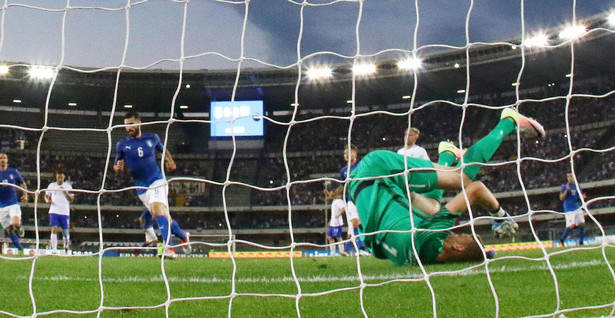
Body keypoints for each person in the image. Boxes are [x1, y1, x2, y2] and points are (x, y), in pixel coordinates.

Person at [348, 108, 544, 265]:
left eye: (463, 235)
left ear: (458, 247)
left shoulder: (432, 238)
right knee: (434, 206)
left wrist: (500, 216)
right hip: (369, 187)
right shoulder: (411, 256)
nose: (456, 231)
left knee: (462, 179)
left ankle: (508, 120)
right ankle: (448, 155)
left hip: (378, 172)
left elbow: (476, 189)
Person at [113, 111, 190, 254]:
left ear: (139, 123)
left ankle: (169, 249)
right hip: (141, 187)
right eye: (126, 125)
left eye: (131, 124)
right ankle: (184, 236)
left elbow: (163, 150)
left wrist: (170, 161)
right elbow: (116, 164)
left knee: (156, 209)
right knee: (164, 216)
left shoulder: (152, 138)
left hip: (157, 180)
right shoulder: (122, 144)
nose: (128, 128)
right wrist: (117, 168)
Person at [323, 144, 370, 255]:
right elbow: (343, 186)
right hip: (351, 199)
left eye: (349, 152)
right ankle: (360, 249)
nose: (347, 155)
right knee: (353, 223)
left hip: (363, 198)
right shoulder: (343, 171)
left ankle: (360, 248)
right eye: (345, 153)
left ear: (355, 153)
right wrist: (332, 195)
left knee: (360, 224)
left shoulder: (361, 166)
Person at [0, 153, 27, 252]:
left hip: (13, 204)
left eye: (4, 158)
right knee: (9, 231)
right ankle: (21, 250)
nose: (2, 160)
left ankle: (19, 227)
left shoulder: (13, 171)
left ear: (7, 160)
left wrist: (25, 194)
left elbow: (22, 183)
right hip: (1, 206)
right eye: (0, 158)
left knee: (15, 223)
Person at [44, 169, 75, 253]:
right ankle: (54, 249)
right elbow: (46, 196)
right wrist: (47, 201)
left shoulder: (68, 186)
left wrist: (65, 192)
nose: (60, 177)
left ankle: (66, 246)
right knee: (54, 229)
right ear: (56, 176)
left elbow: (72, 199)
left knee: (65, 231)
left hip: (64, 212)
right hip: (54, 211)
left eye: (61, 175)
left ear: (64, 176)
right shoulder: (51, 185)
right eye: (58, 175)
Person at [559, 172, 586, 246]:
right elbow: (561, 198)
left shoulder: (577, 186)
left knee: (582, 223)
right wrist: (566, 191)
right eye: (568, 176)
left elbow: (579, 197)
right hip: (569, 208)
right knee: (571, 225)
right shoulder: (565, 186)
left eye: (571, 176)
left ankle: (581, 242)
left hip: (577, 206)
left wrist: (582, 197)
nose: (569, 178)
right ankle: (562, 240)